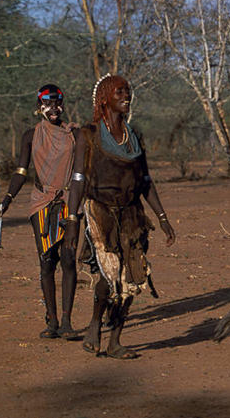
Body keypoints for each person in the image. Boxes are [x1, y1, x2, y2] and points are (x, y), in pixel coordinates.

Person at [65, 74, 176, 359]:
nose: (126, 96)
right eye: (120, 92)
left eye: (128, 91)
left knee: (133, 277)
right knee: (110, 272)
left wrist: (162, 218)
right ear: (104, 98)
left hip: (131, 213)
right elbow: (78, 179)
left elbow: (146, 181)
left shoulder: (133, 137)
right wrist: (73, 220)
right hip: (100, 210)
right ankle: (94, 324)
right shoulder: (88, 135)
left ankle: (115, 340)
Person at [0, 84, 81, 339]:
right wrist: (7, 198)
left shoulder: (74, 134)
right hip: (41, 201)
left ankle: (67, 322)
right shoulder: (30, 136)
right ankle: (51, 321)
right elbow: (21, 172)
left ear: (62, 105)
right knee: (47, 262)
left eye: (57, 104)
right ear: (39, 107)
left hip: (68, 201)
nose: (53, 109)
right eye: (48, 105)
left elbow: (80, 173)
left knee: (68, 259)